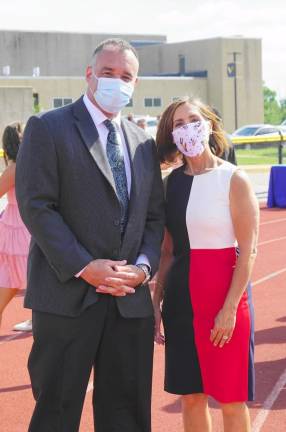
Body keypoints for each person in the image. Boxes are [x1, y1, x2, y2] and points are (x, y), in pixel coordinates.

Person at [16, 38, 165, 432]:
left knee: (127, 415)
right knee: (56, 411)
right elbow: (37, 206)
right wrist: (84, 266)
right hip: (67, 298)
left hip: (129, 302)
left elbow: (153, 217)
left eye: (126, 76)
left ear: (136, 83)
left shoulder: (143, 143)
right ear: (89, 75)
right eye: (108, 73)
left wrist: (143, 269)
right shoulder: (48, 127)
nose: (118, 81)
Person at [153, 96, 259, 432]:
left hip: (226, 298)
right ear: (171, 136)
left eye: (193, 120)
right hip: (182, 301)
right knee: (192, 396)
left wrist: (229, 309)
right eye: (178, 124)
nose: (187, 129)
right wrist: (155, 303)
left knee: (230, 398)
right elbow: (167, 253)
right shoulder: (169, 185)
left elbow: (249, 251)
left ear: (210, 124)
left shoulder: (234, 179)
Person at [0, 123, 31, 331]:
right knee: (30, 276)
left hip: (15, 229)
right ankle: (36, 319)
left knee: (11, 277)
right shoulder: (30, 163)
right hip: (25, 224)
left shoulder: (14, 168)